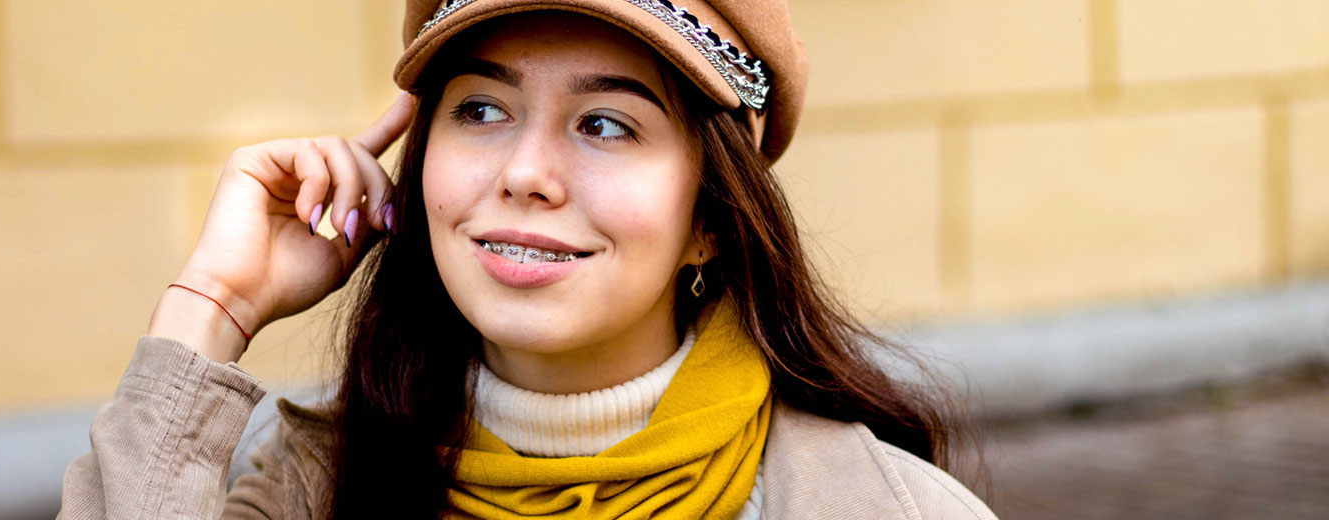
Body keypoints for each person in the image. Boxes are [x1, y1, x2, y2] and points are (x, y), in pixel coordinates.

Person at [59, 0, 997, 518]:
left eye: (604, 123)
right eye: (480, 110)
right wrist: (209, 307)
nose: (527, 173)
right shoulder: (315, 486)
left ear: (711, 216)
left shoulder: (881, 511)